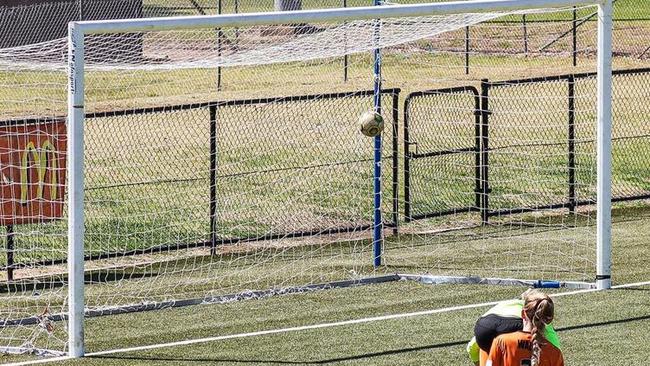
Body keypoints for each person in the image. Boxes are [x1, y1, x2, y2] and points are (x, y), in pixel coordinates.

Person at [466, 289, 561, 366]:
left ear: (523, 313)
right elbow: (554, 349)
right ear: (549, 319)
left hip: (484, 328)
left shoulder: (501, 341)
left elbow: (473, 346)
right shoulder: (554, 351)